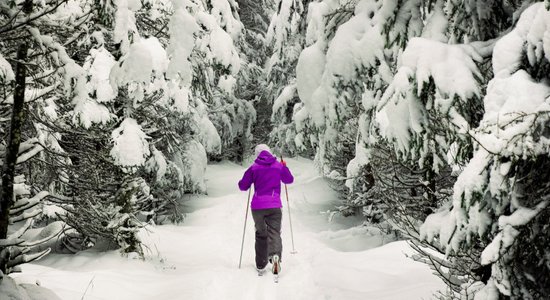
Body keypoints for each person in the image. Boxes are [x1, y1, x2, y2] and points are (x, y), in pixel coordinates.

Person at [238, 144, 294, 276]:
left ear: (257, 154)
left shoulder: (253, 168)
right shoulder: (278, 166)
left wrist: (251, 179)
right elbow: (289, 179)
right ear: (269, 152)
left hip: (257, 207)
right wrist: (284, 167)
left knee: (261, 234)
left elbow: (242, 186)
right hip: (274, 206)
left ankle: (261, 264)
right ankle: (275, 257)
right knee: (274, 232)